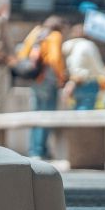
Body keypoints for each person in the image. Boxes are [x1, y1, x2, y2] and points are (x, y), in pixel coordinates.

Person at [17, 16, 67, 159]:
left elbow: (22, 53)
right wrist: (61, 77)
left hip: (35, 78)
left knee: (36, 113)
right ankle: (41, 150)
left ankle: (34, 150)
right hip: (49, 78)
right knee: (47, 115)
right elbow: (54, 58)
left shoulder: (36, 32)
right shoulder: (55, 35)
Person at [61, 24, 105, 110]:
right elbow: (97, 65)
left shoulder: (68, 47)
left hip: (75, 82)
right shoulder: (88, 45)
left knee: (77, 109)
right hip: (88, 81)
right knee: (86, 113)